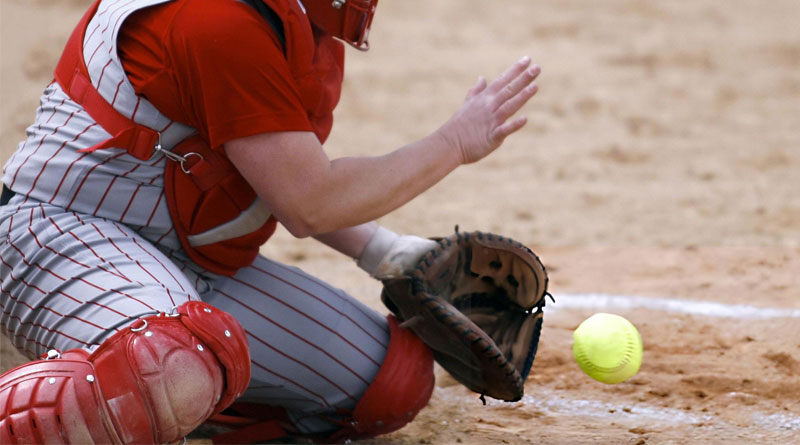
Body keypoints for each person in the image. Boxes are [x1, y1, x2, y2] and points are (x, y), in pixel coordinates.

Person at [0, 0, 541, 442]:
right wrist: (452, 143)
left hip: (178, 257)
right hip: (57, 237)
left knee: (389, 385)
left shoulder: (299, 19)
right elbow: (310, 201)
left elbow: (266, 169)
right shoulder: (218, 17)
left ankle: (179, 410)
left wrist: (387, 251)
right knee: (170, 361)